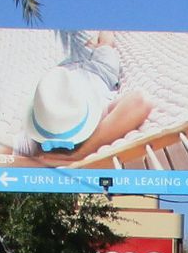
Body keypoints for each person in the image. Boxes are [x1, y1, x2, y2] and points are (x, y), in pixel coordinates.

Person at [20, 32, 151, 166]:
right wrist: (82, 153)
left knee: (87, 45)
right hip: (99, 70)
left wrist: (37, 163)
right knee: (105, 44)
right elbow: (140, 101)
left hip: (64, 72)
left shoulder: (36, 136)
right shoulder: (96, 118)